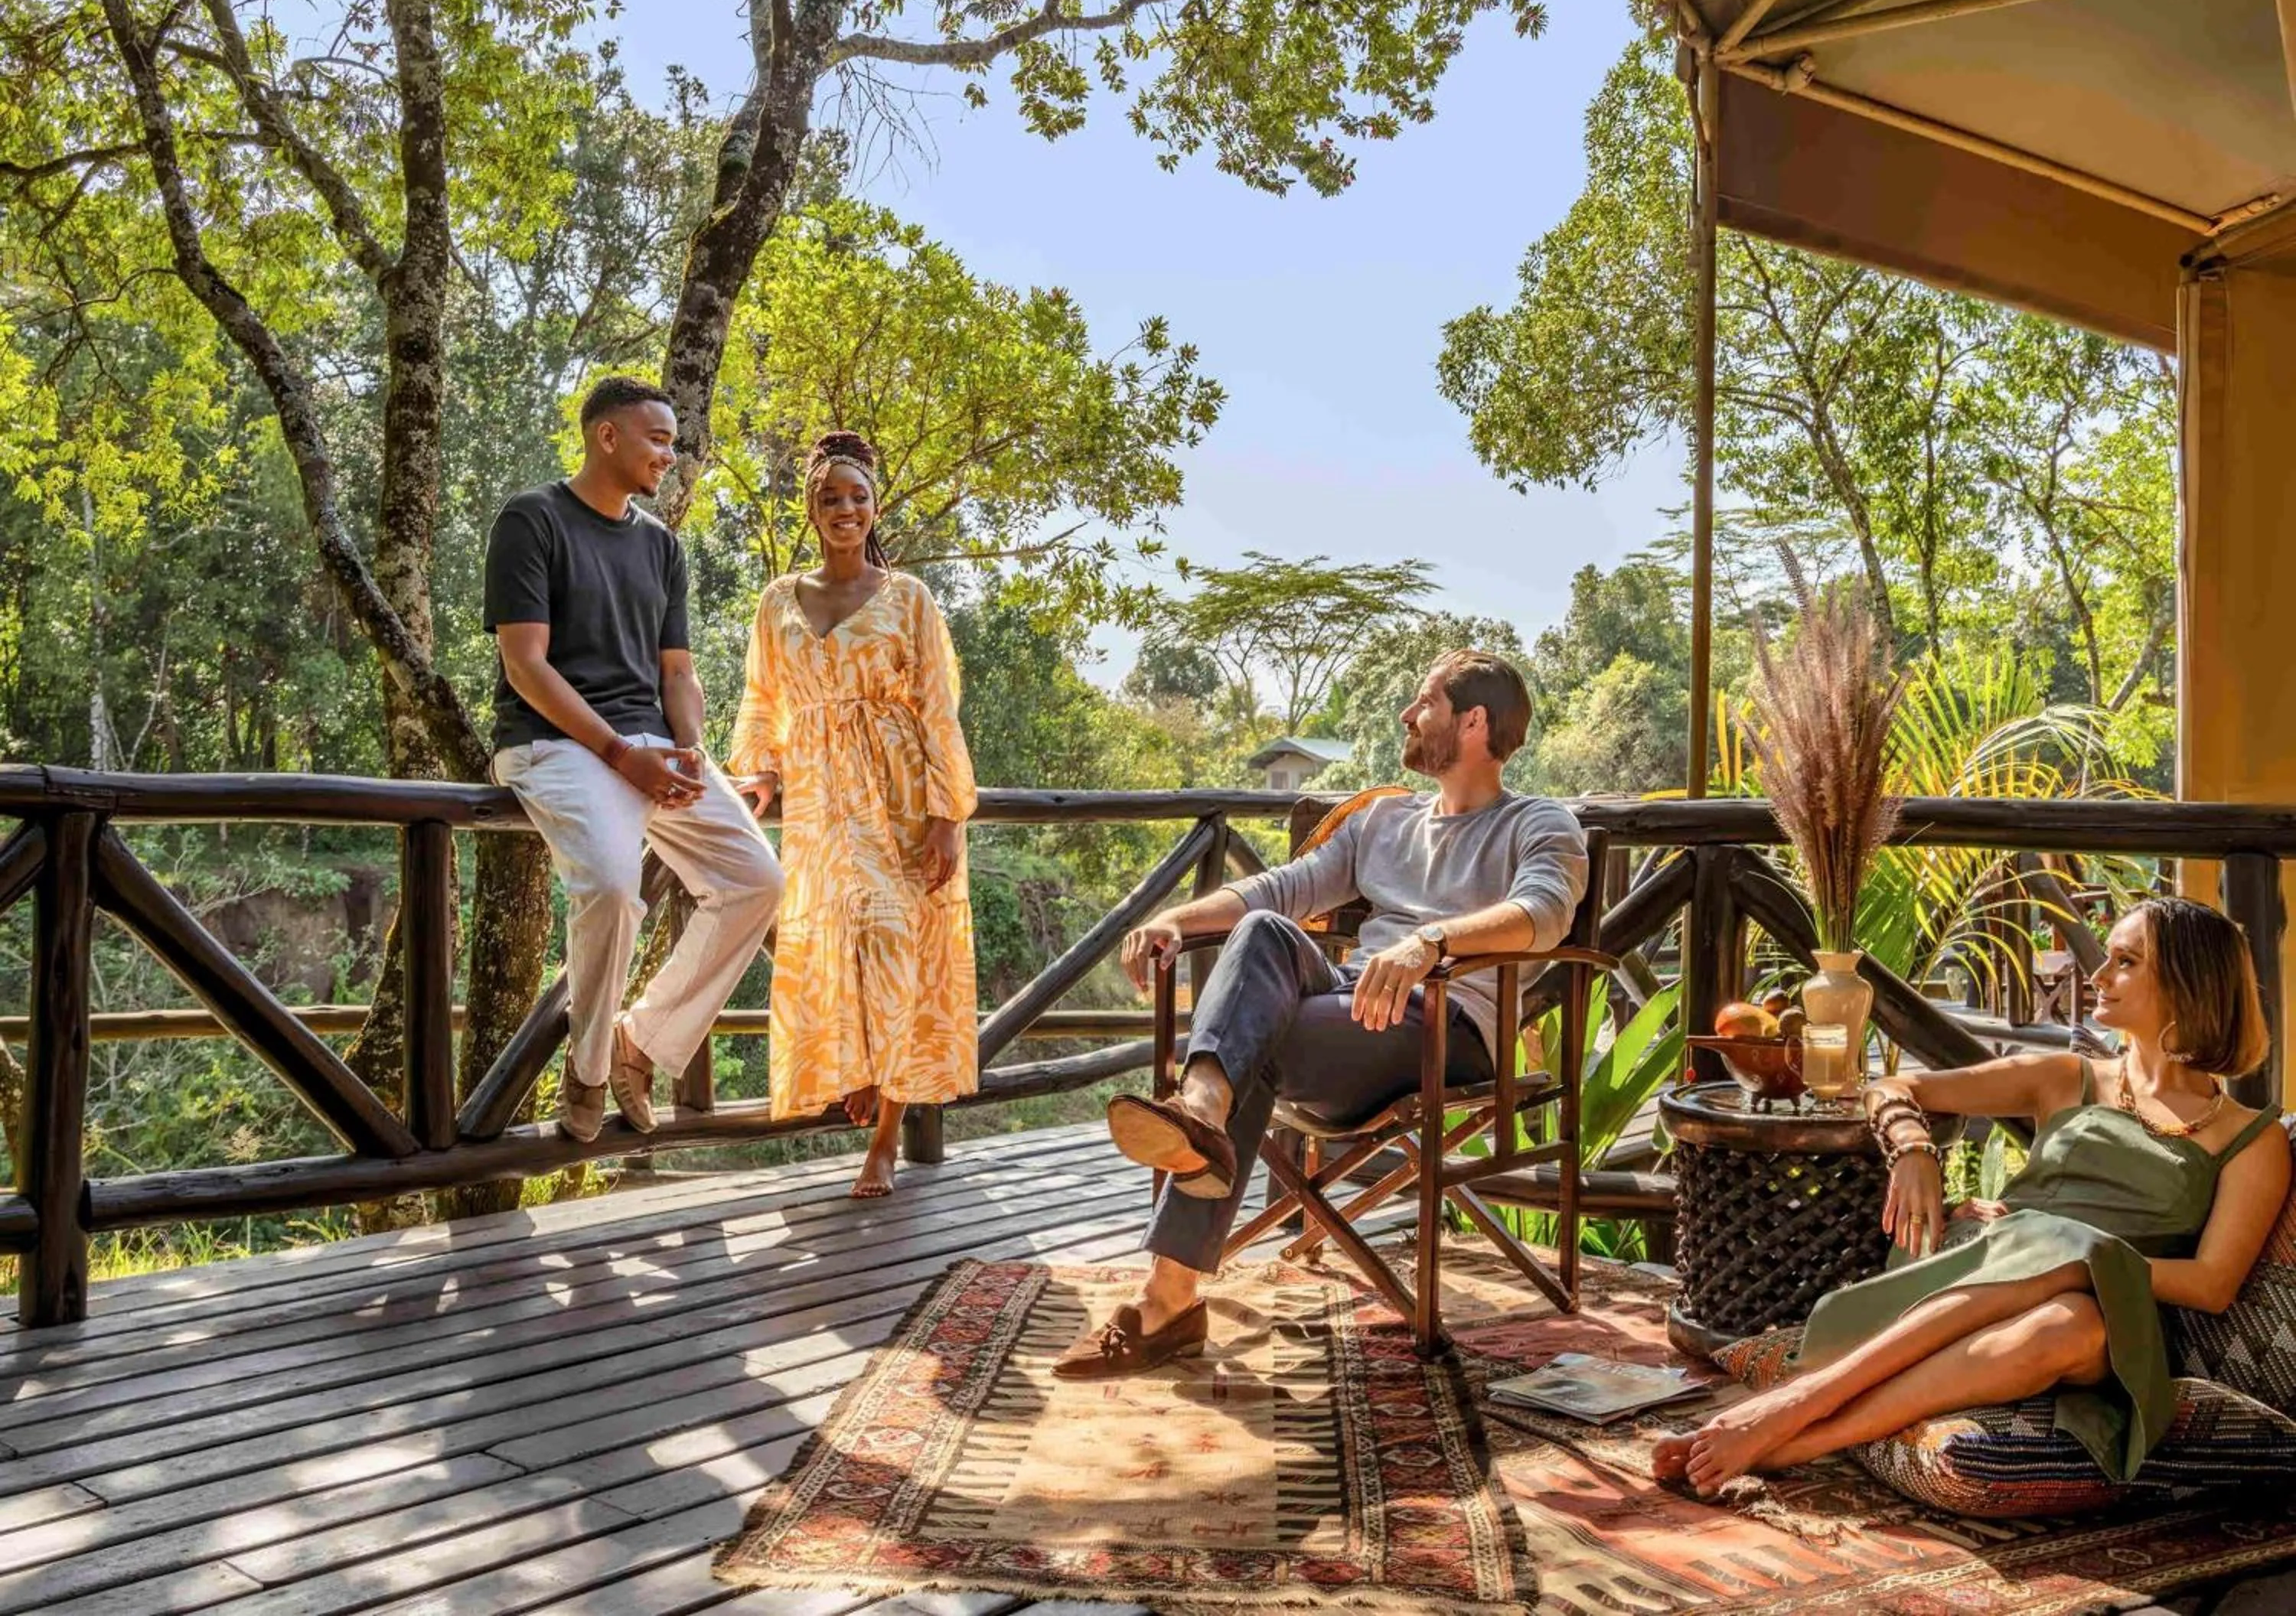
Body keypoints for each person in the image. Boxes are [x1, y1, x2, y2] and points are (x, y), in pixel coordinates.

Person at [1051, 650, 1589, 1379]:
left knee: (1256, 1044)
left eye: (1423, 701)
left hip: (1446, 1030)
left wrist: (1430, 943)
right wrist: (1177, 917)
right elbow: (1283, 888)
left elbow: (1546, 912)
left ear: (1473, 721)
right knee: (1265, 932)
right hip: (1352, 1005)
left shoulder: (1538, 823)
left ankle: (1168, 1301)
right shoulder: (1385, 820)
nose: (1407, 714)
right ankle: (1202, 1112)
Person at [1655, 895, 2289, 1497]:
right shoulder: (2068, 1078)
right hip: (1977, 1268)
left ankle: (1790, 1428)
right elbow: (1896, 1086)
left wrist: (2078, 1256)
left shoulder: (2250, 1139)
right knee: (2058, 1286)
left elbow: (2212, 1283)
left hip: (2108, 1311)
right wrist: (1914, 1150)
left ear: (2189, 983)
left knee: (2074, 1325)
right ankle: (1795, 1422)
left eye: (2126, 961)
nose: (2098, 974)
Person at [484, 374, 784, 1143]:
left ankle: (640, 1042)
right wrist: (622, 755)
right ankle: (584, 1073)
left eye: (674, 443)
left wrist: (688, 752)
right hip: (554, 744)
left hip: (652, 746)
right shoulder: (533, 519)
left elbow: (678, 673)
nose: (670, 456)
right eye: (657, 439)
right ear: (605, 435)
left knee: (756, 879)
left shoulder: (661, 544)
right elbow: (526, 666)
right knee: (616, 889)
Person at [727, 431, 979, 1200]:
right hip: (819, 802)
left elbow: (938, 707)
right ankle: (862, 1073)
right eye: (831, 498)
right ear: (812, 509)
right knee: (835, 944)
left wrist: (947, 815)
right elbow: (761, 696)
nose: (845, 510)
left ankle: (884, 1137)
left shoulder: (908, 598)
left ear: (874, 509)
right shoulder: (778, 600)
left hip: (899, 795)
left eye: (858, 498)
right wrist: (758, 774)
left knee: (895, 939)